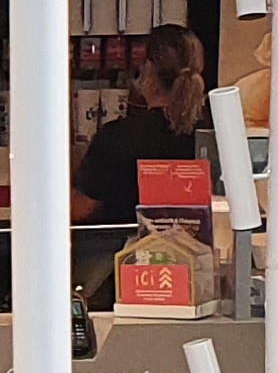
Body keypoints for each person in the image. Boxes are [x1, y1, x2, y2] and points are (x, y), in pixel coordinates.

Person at [79, 23, 212, 225]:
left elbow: (82, 207)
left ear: (148, 74)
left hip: (127, 244)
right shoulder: (214, 133)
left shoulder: (118, 137)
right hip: (199, 243)